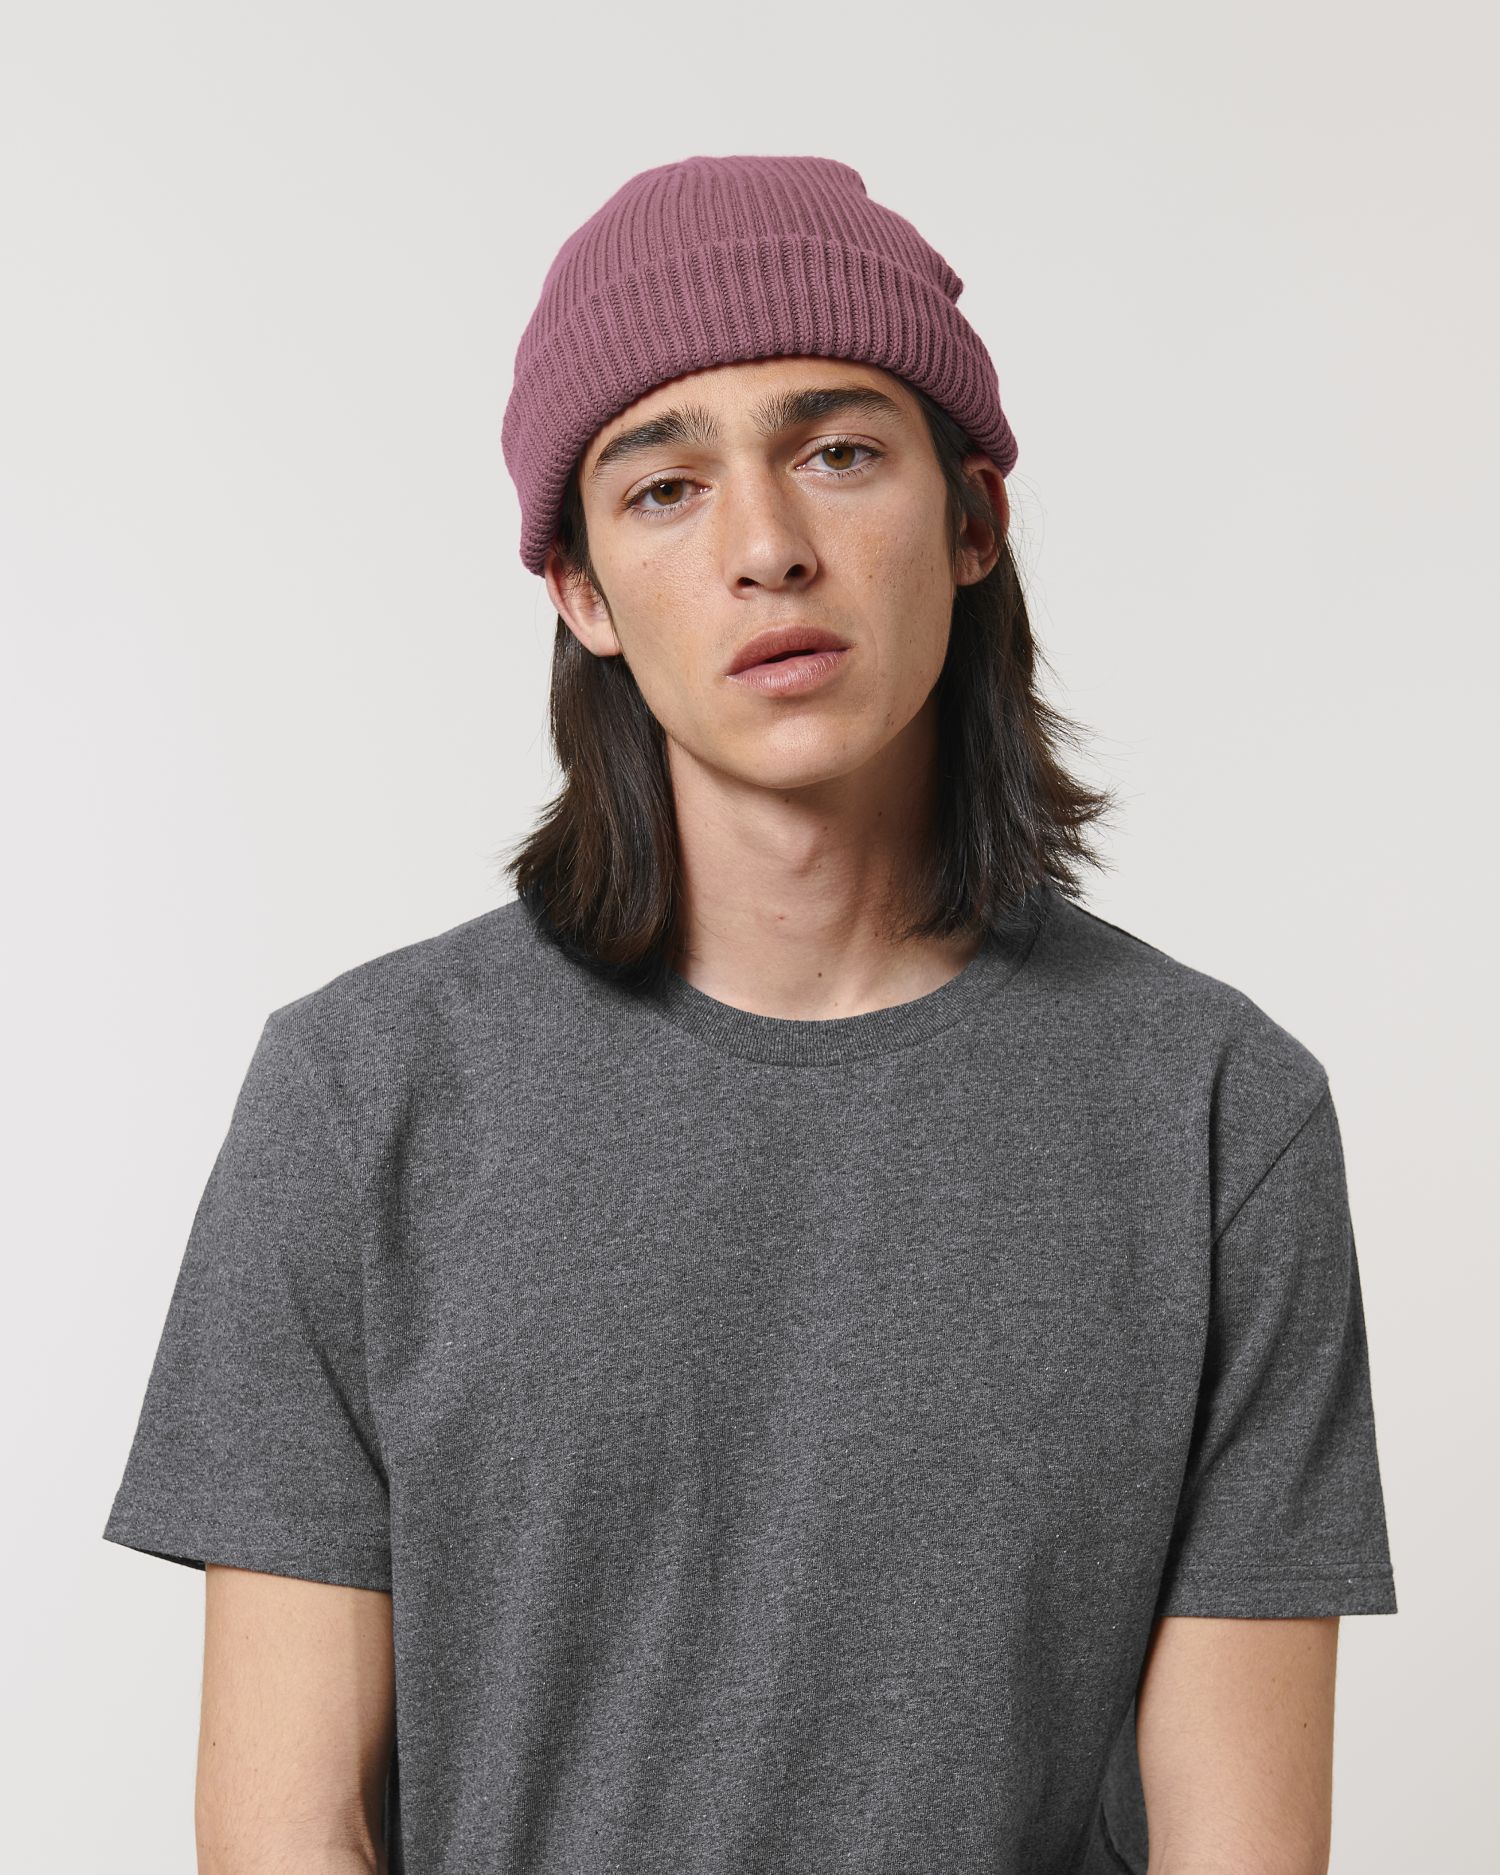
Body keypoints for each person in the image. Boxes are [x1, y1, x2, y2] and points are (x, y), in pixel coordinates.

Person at [103, 153, 1398, 1875]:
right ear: (580, 594)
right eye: (665, 488)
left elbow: (1240, 1849)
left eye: (839, 453)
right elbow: (286, 1828)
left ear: (974, 521)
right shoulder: (360, 1099)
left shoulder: (1218, 1113)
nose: (768, 549)